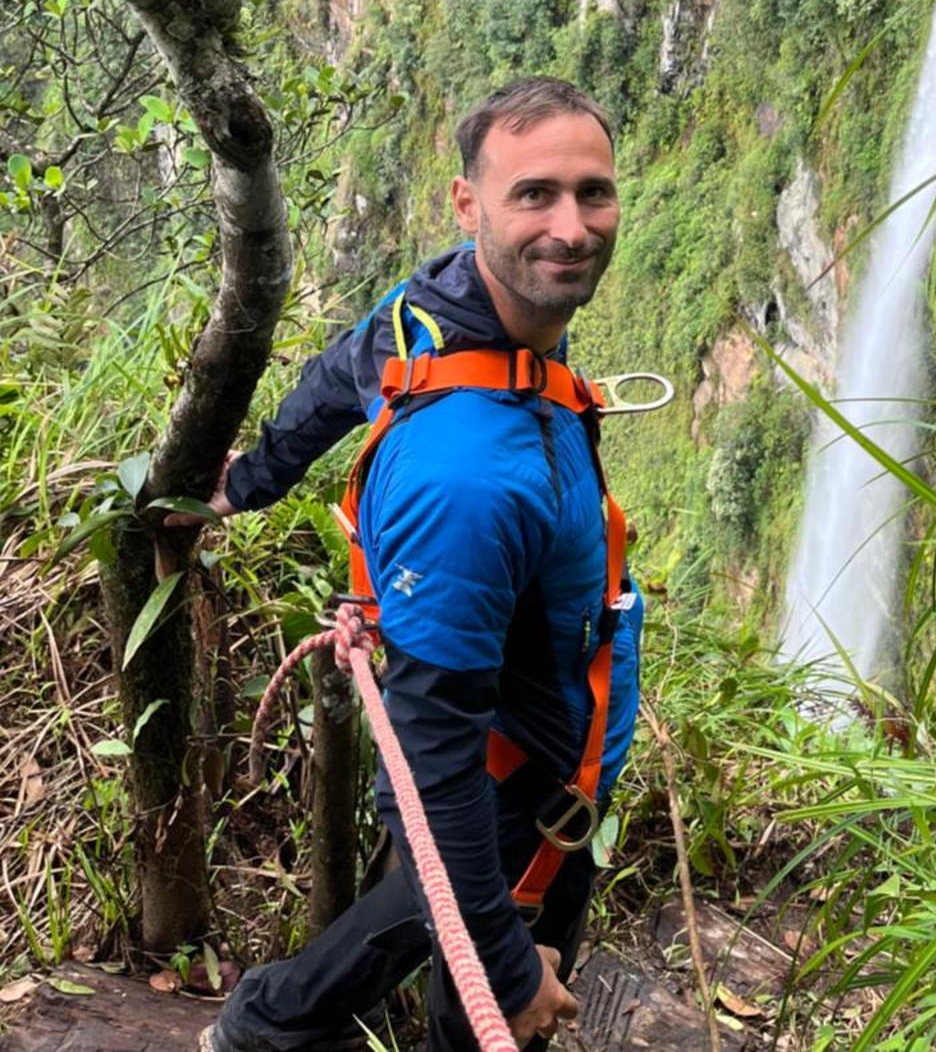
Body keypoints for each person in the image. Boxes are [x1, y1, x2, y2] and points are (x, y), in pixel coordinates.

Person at [203, 76, 641, 1052]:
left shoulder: (435, 312)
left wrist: (255, 478)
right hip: (516, 790)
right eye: (534, 193)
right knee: (474, 996)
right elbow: (429, 759)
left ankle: (262, 1025)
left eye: (593, 191)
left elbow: (339, 372)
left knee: (410, 904)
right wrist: (507, 964)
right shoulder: (468, 480)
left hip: (521, 758)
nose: (572, 227)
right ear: (467, 201)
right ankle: (267, 1024)